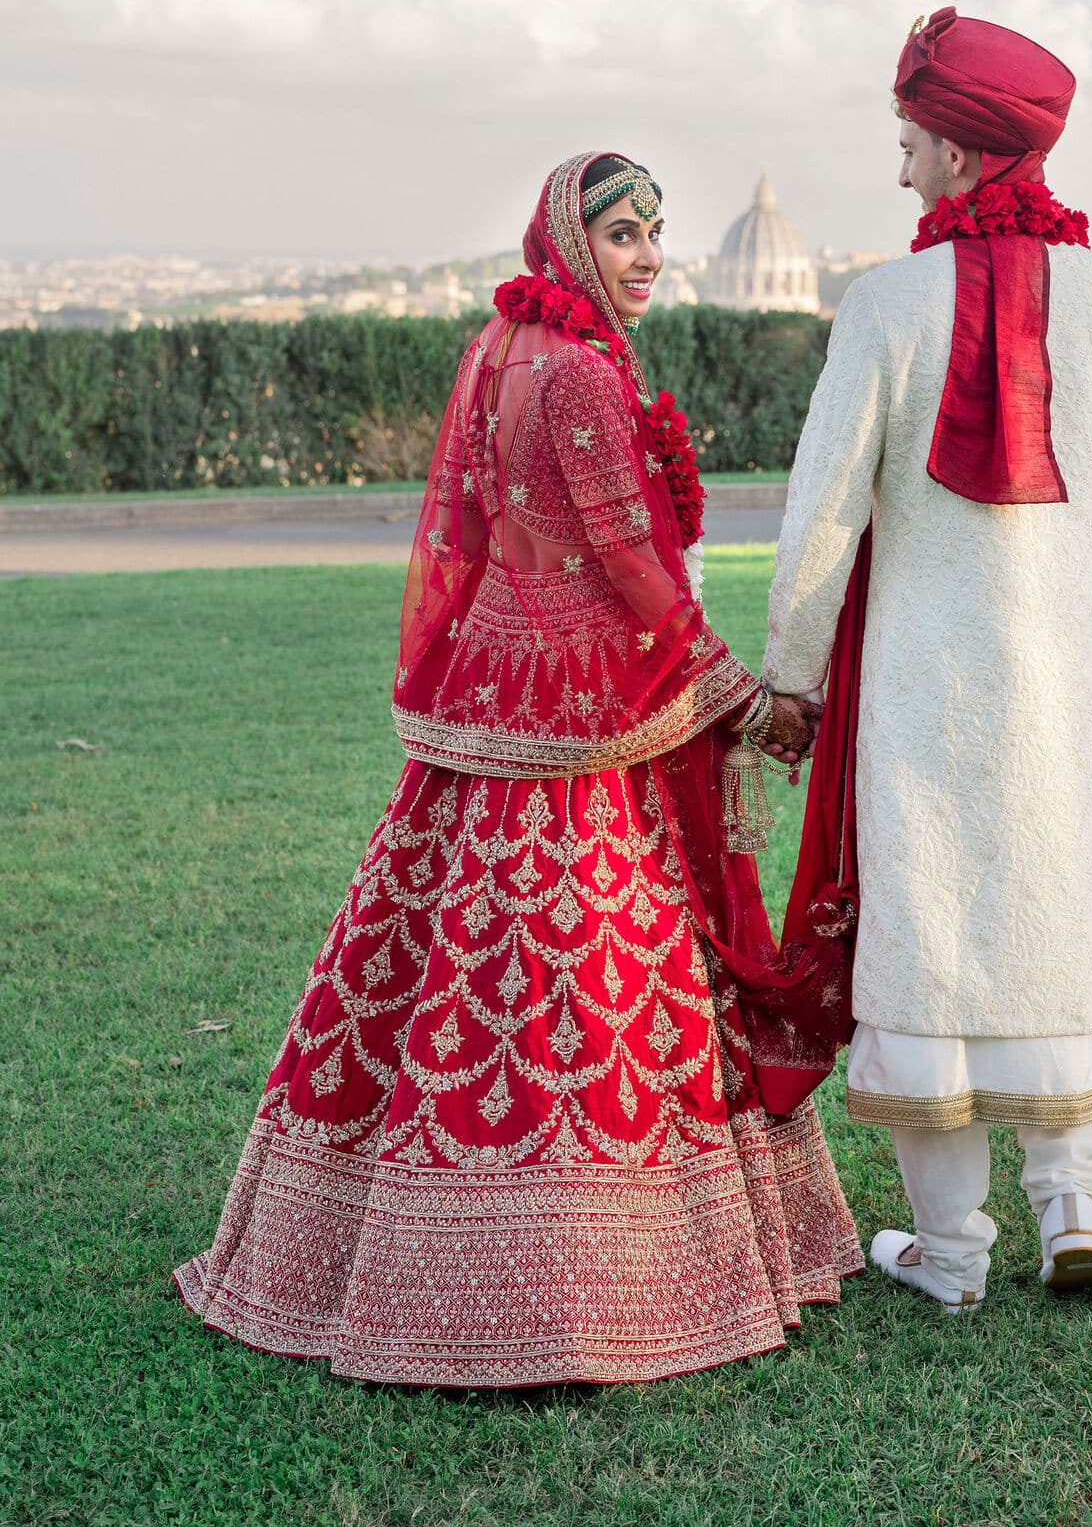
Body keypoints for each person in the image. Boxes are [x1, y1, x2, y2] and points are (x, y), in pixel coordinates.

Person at [175, 151, 861, 1387]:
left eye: (657, 232)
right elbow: (634, 572)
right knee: (591, 974)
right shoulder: (586, 375)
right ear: (569, 241)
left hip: (490, 701)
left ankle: (361, 1254)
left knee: (435, 963)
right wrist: (748, 702)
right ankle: (590, 1285)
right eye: (622, 235)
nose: (647, 254)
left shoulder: (502, 344)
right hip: (591, 714)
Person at [761, 10, 1092, 1311]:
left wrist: (792, 672)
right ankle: (1074, 1210)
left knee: (934, 940)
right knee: (1058, 921)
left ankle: (950, 1254)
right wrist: (1057, 538)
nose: (900, 172)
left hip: (924, 693)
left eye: (909, 144)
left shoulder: (887, 305)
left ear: (958, 149)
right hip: (1066, 678)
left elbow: (824, 511)